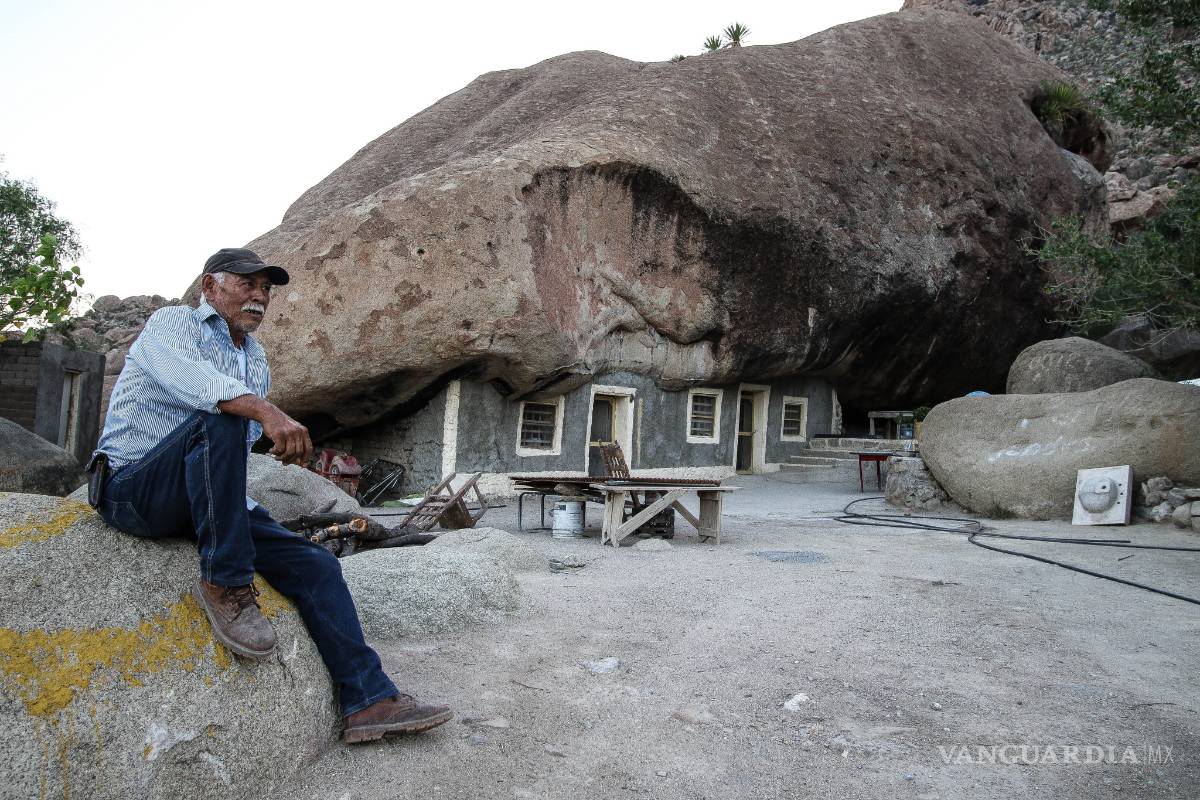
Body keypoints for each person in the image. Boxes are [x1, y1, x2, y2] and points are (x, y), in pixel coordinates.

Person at [91, 247, 452, 743]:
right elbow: (203, 391)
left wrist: (250, 509)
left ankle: (367, 700)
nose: (260, 296)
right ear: (210, 287)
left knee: (316, 565)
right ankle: (226, 584)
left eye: (266, 288)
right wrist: (267, 414)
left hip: (201, 500)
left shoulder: (254, 357)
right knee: (219, 415)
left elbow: (229, 456)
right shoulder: (172, 323)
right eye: (247, 284)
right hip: (132, 490)